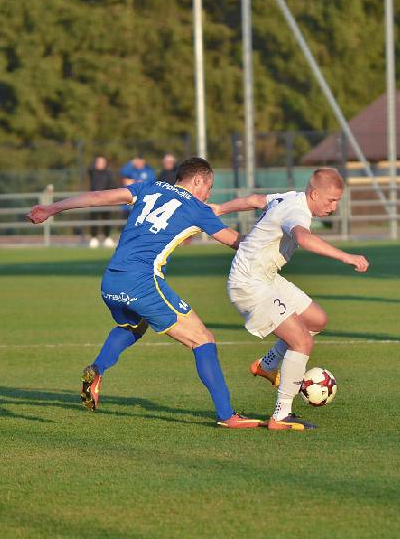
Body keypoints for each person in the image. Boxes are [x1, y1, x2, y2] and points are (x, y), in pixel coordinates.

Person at [25, 157, 261, 429]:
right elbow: (240, 243)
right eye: (209, 187)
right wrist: (278, 237)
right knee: (203, 339)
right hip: (142, 283)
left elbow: (98, 197)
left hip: (111, 279)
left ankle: (97, 369)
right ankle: (227, 415)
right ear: (198, 180)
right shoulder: (197, 208)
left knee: (134, 325)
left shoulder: (149, 187)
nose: (208, 195)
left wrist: (52, 208)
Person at [213, 168, 370, 431]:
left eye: (337, 201)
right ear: (314, 194)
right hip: (249, 284)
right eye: (331, 200)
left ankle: (267, 365)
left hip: (266, 277)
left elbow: (254, 200)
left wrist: (220, 208)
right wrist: (347, 257)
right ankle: (281, 415)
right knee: (302, 341)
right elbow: (303, 238)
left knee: (317, 320)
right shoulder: (297, 212)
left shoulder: (289, 196)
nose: (334, 207)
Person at [87, 155, 117, 248]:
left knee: (106, 219)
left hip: (106, 199)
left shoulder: (109, 173)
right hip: (94, 199)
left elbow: (112, 185)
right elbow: (89, 168)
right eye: (98, 162)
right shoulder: (92, 172)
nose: (100, 164)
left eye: (102, 162)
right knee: (94, 219)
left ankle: (107, 238)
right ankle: (93, 238)